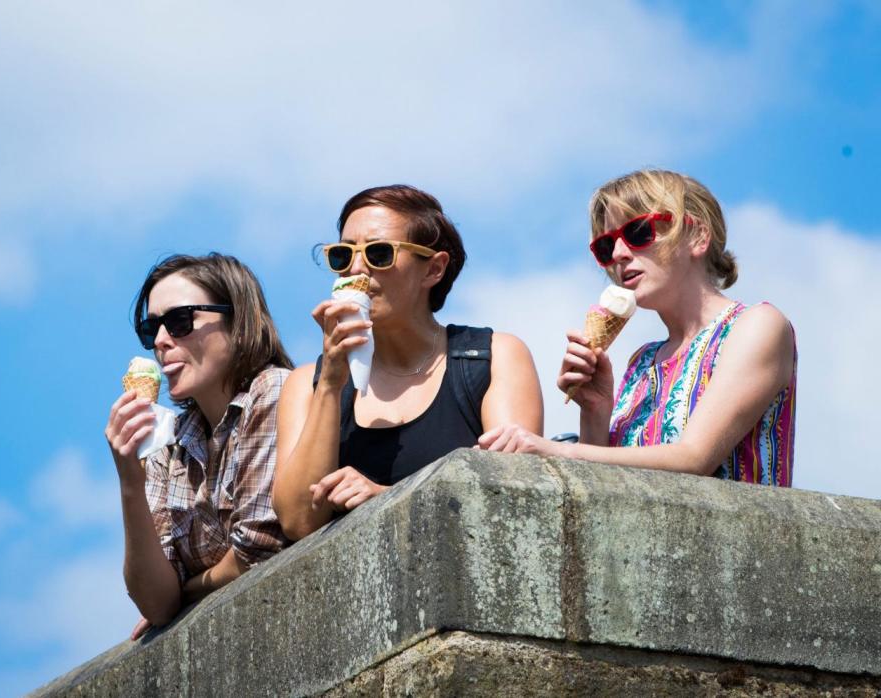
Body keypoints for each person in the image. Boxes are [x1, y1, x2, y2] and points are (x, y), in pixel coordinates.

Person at [479, 169, 796, 486]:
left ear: (697, 236)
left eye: (639, 232)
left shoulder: (756, 326)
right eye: (605, 246)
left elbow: (694, 457)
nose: (618, 254)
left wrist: (554, 450)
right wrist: (595, 410)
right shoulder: (642, 360)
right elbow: (602, 487)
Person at [273, 185, 543, 540]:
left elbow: (513, 498)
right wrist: (330, 385)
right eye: (342, 255)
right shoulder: (308, 383)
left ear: (433, 269)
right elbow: (297, 521)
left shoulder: (491, 357)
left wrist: (388, 499)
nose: (356, 269)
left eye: (378, 253)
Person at [105, 253, 293, 639]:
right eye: (150, 328)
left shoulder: (273, 390)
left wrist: (186, 592)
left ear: (238, 321)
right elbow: (156, 603)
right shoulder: (167, 444)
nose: (160, 342)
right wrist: (129, 479)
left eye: (179, 321)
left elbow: (257, 550)